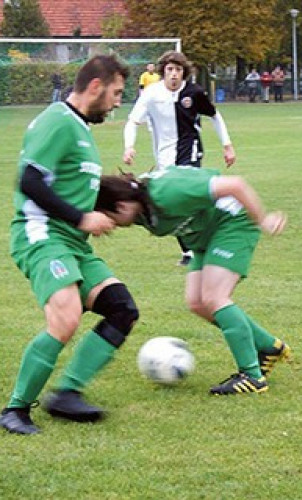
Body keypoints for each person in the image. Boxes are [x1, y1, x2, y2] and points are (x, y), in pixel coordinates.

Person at [1, 55, 135, 435]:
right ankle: (14, 410)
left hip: (72, 243)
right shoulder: (57, 121)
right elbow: (29, 180)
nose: (117, 101)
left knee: (121, 308)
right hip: (41, 234)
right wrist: (80, 218)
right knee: (65, 317)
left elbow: (72, 188)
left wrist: (116, 207)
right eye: (116, 92)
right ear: (95, 86)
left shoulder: (80, 128)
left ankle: (66, 395)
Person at [95, 166, 291, 396]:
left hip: (232, 223)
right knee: (197, 302)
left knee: (215, 298)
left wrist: (263, 219)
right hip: (203, 234)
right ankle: (268, 347)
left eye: (111, 219)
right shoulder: (138, 208)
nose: (113, 225)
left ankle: (252, 376)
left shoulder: (167, 192)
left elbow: (234, 184)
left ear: (121, 205)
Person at [123, 50, 236, 266]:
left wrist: (227, 145)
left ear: (184, 73)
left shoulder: (194, 93)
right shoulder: (151, 94)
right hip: (164, 156)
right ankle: (189, 249)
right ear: (162, 72)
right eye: (170, 70)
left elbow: (214, 116)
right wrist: (129, 147)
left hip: (190, 150)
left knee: (187, 196)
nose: (174, 74)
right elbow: (132, 122)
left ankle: (200, 243)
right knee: (171, 202)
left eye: (178, 70)